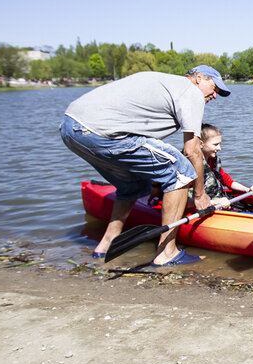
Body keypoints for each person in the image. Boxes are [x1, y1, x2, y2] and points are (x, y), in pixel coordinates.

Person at [60, 65, 231, 266]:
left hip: (70, 128)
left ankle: (107, 244)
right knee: (181, 171)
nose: (215, 95)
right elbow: (192, 150)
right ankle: (167, 252)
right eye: (214, 87)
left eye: (219, 91)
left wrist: (156, 184)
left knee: (135, 185)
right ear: (198, 78)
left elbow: (145, 151)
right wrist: (200, 196)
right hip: (100, 131)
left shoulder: (164, 82)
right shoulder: (190, 92)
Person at [193, 123, 253, 209]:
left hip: (218, 201)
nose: (219, 148)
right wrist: (216, 202)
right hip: (202, 208)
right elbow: (185, 199)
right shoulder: (190, 165)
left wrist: (247, 190)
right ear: (201, 144)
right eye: (215, 144)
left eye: (220, 144)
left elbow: (227, 181)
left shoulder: (211, 160)